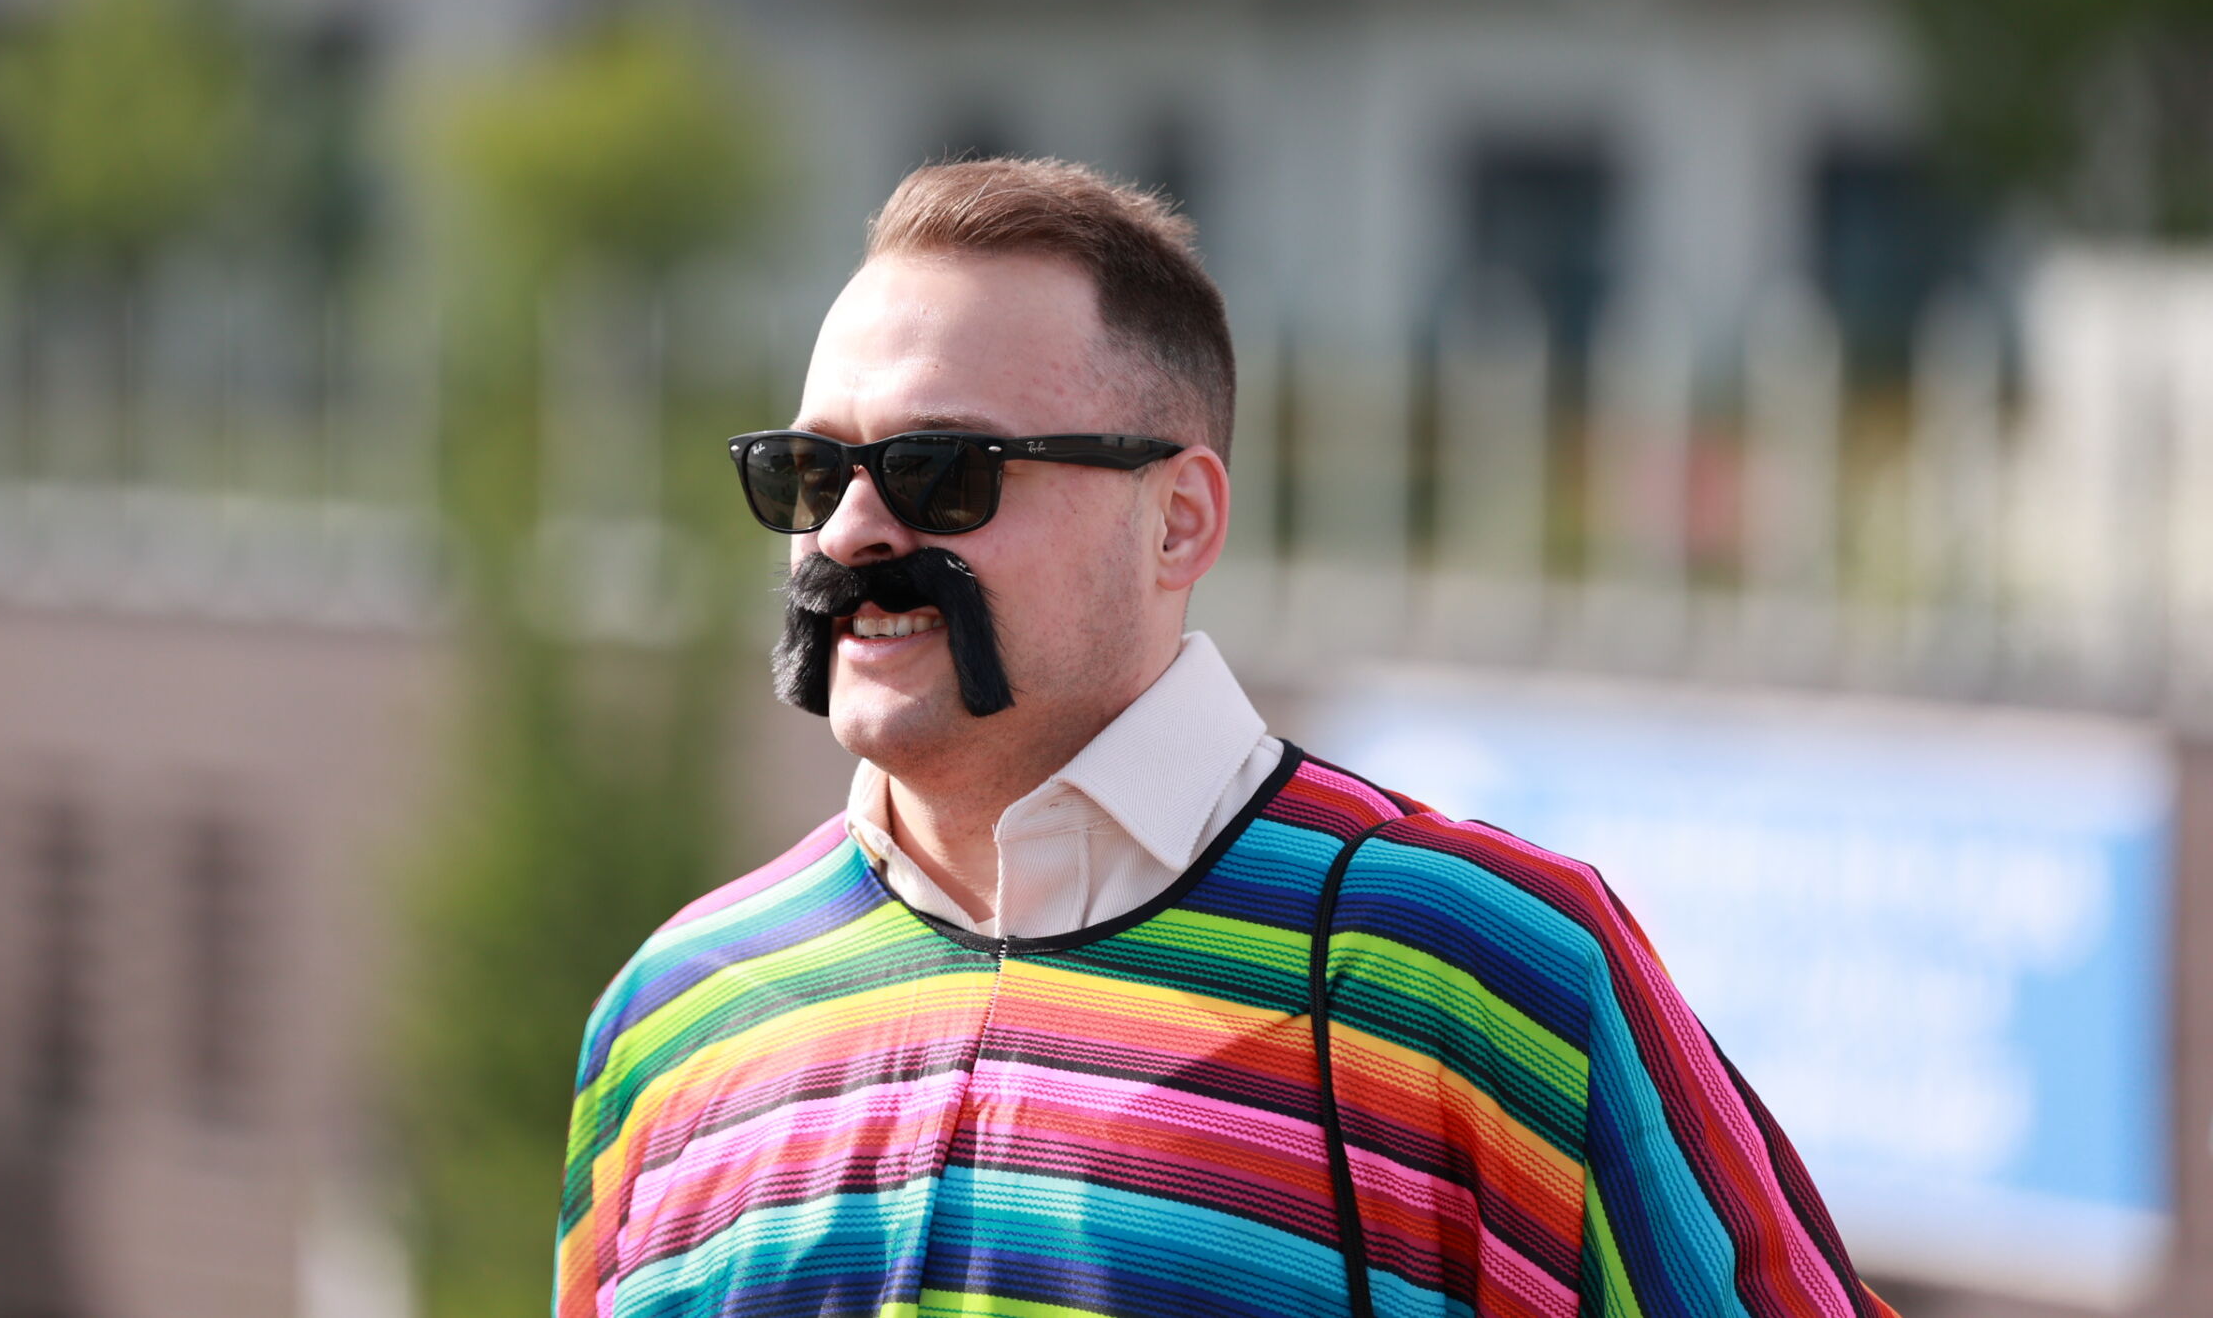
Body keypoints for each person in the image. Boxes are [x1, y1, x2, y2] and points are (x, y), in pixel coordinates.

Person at [555, 158, 1893, 1318]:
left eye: (941, 472)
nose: (850, 532)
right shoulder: (676, 1016)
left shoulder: (1485, 972)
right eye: (808, 473)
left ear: (1180, 520)